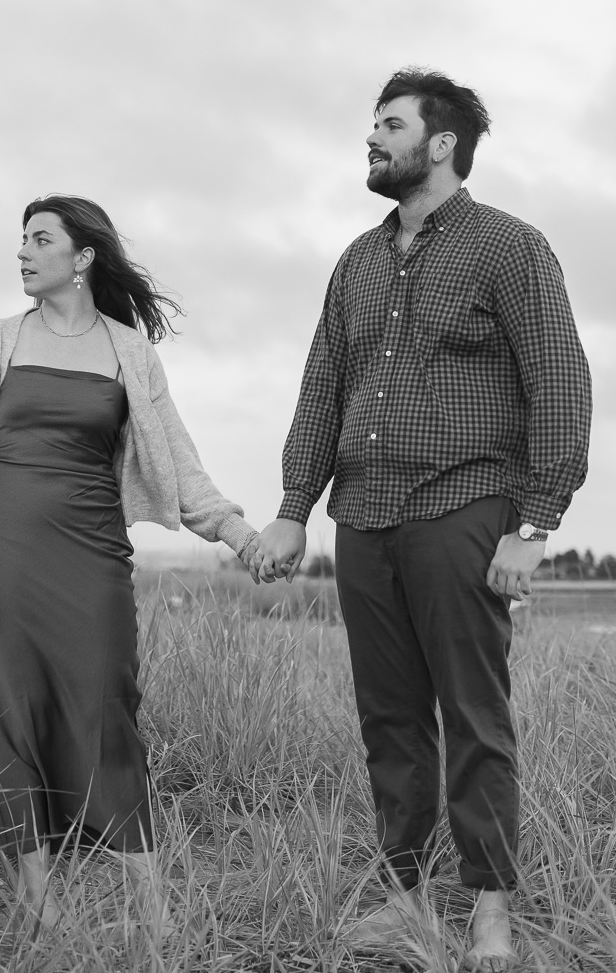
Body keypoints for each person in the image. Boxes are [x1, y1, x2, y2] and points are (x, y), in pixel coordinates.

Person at [253, 68, 592, 970]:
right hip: (360, 517)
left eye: (389, 124)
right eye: (372, 123)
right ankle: (406, 901)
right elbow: (323, 383)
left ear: (439, 144)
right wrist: (294, 510)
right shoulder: (356, 262)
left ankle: (489, 910)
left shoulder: (509, 248)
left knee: (472, 712)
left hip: (461, 503)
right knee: (389, 718)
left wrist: (536, 521)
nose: (372, 138)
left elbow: (557, 380)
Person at [0, 194, 261, 928]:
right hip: (5, 560)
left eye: (39, 239)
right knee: (9, 714)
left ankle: (151, 904)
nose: (21, 251)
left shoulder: (128, 353)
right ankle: (39, 905)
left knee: (108, 713)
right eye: (20, 239)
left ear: (81, 258)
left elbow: (178, 463)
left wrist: (240, 535)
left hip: (92, 558)